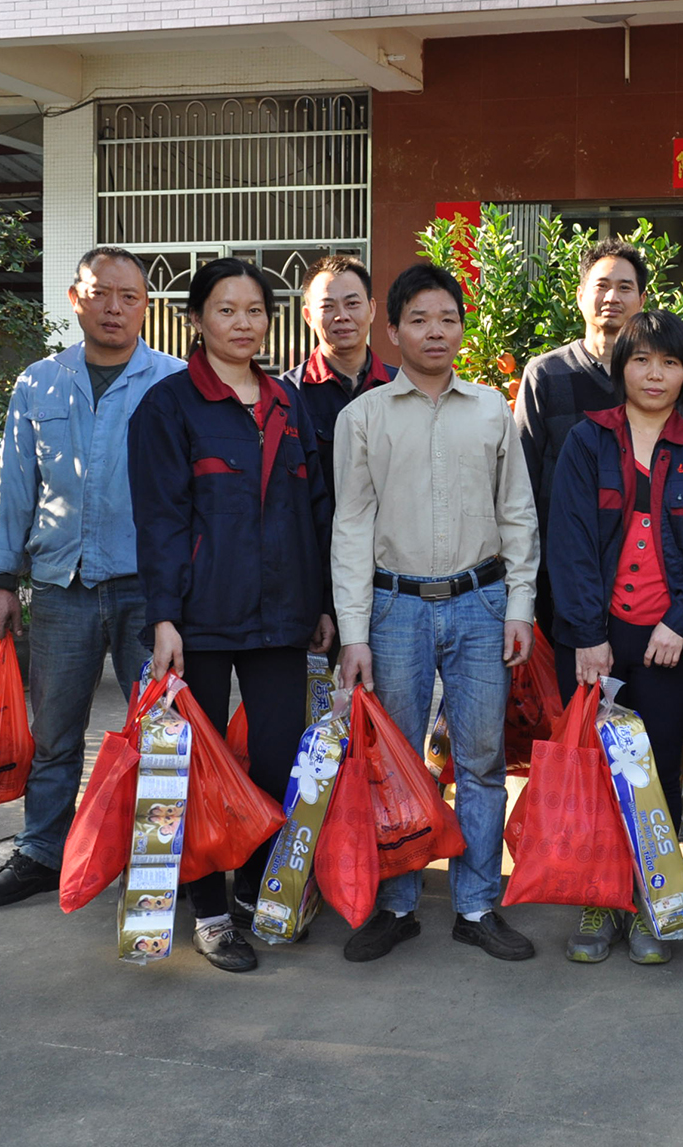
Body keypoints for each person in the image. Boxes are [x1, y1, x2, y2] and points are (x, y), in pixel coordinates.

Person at [129, 257, 336, 973]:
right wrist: (164, 616)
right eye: (226, 309)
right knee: (198, 769)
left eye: (255, 310)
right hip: (200, 620)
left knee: (276, 761)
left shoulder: (287, 401)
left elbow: (315, 510)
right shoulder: (169, 406)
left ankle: (251, 887)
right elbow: (159, 519)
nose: (242, 323)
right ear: (195, 319)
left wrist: (322, 604)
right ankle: (209, 912)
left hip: (283, 618)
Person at [332, 263, 540, 964]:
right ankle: (396, 904)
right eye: (418, 319)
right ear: (392, 330)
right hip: (395, 608)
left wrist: (519, 606)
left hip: (481, 605)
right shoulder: (362, 417)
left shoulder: (491, 410)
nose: (435, 331)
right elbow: (351, 528)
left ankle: (477, 903)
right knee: (392, 761)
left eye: (448, 318)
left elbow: (518, 514)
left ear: (461, 328)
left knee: (481, 760)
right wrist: (354, 632)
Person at [0, 247, 185, 910]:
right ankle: (41, 851)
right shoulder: (38, 383)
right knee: (55, 735)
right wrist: (1, 579)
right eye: (100, 294)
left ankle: (155, 863)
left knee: (160, 735)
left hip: (149, 591)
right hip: (63, 587)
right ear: (75, 299)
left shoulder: (174, 381)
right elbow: (16, 488)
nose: (114, 308)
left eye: (129, 296)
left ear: (146, 306)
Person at [548, 310, 683, 965]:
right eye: (641, 360)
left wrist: (680, 622)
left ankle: (649, 899)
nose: (655, 374)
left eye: (670, 362)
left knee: (654, 773)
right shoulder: (586, 441)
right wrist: (585, 634)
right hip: (596, 640)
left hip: (667, 642)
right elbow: (570, 540)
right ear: (620, 367)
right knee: (597, 770)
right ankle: (599, 899)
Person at [516, 239, 648, 628]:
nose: (612, 297)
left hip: (641, 568)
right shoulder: (546, 374)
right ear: (579, 296)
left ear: (642, 300)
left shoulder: (655, 378)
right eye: (601, 285)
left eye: (625, 287)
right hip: (561, 567)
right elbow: (522, 477)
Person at [280, 255, 395, 498]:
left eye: (352, 303)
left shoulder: (400, 386)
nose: (342, 316)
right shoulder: (287, 394)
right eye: (327, 306)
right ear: (308, 316)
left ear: (372, 309)